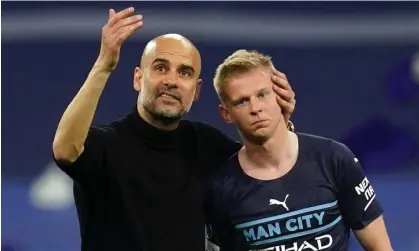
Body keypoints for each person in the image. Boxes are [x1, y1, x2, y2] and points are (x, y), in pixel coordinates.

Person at [52, 7, 296, 251]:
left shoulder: (207, 144)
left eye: (184, 73)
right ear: (138, 78)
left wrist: (280, 124)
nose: (171, 81)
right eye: (160, 68)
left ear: (196, 90)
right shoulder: (107, 145)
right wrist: (104, 66)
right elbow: (65, 150)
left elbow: (267, 168)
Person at [204, 49, 393, 251]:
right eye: (242, 101)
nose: (255, 108)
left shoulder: (333, 159)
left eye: (262, 94)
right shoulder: (221, 189)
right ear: (226, 114)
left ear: (281, 93)